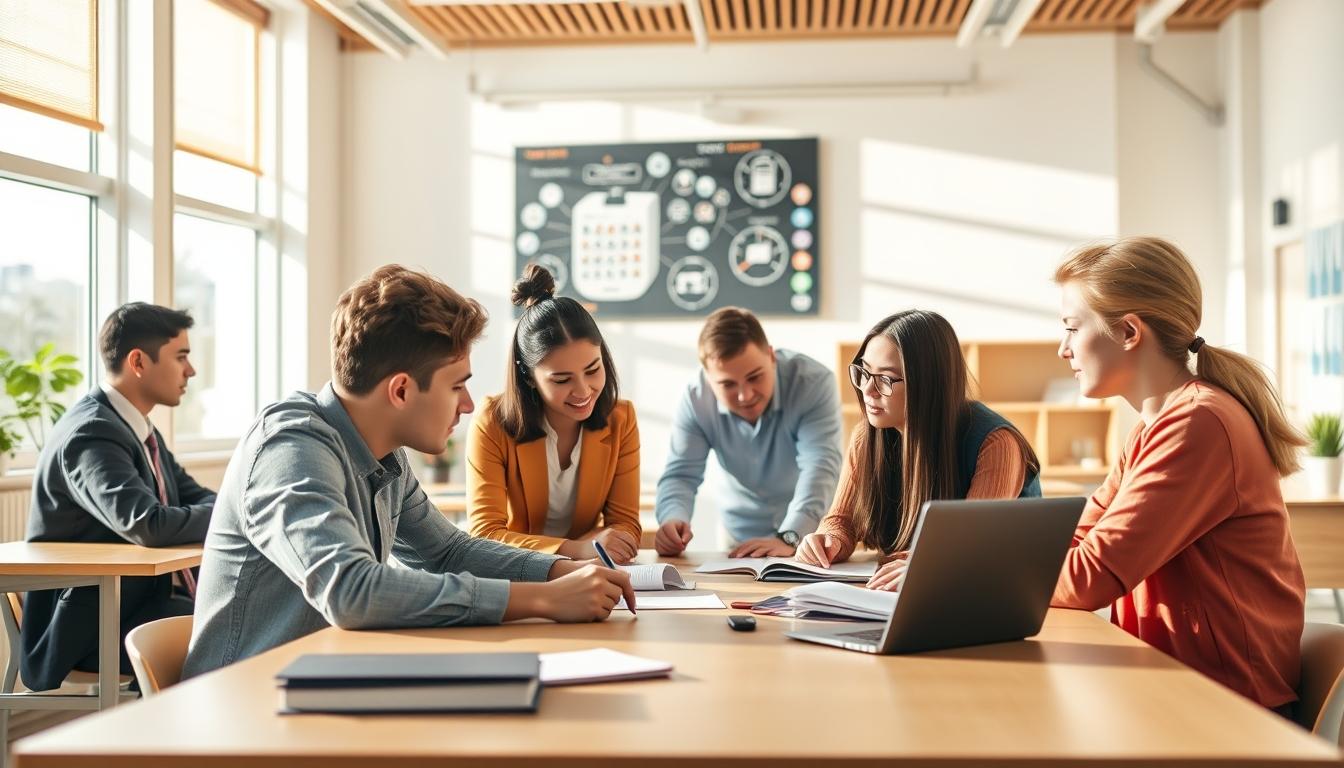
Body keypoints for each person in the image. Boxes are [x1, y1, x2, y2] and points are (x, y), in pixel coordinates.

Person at [182, 265, 633, 678]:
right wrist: (543, 600)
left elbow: (448, 552)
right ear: (401, 390)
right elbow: (351, 591)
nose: (469, 404)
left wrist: (559, 571)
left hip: (321, 688)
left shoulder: (385, 456)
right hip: (245, 714)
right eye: (457, 385)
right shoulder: (290, 449)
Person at [1048, 237, 1306, 715]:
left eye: (1071, 328)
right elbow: (1073, 538)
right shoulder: (1155, 427)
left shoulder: (1197, 424)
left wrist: (959, 579)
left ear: (1128, 332)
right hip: (1172, 694)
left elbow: (1091, 577)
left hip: (1229, 711)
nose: (1063, 349)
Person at [22, 303, 215, 691]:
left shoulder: (138, 430)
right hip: (89, 628)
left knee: (248, 615)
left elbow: (196, 496)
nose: (190, 371)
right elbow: (148, 524)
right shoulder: (91, 433)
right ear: (139, 361)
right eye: (181, 357)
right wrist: (235, 513)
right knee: (238, 626)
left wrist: (233, 508)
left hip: (138, 604)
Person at [795, 309, 1040, 591]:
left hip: (993, 594)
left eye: (886, 379)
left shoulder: (995, 443)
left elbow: (971, 545)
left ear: (930, 383)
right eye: (863, 372)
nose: (868, 390)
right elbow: (842, 520)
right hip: (910, 591)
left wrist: (920, 564)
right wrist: (828, 540)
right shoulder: (868, 435)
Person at [467, 265, 641, 563]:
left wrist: (594, 549)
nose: (584, 390)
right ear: (529, 376)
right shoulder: (492, 422)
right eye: (562, 380)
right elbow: (485, 534)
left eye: (593, 370)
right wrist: (578, 549)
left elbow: (624, 527)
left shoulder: (621, 419)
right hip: (514, 574)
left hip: (588, 574)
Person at [654, 307, 842, 558]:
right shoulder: (696, 398)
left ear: (771, 356)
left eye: (755, 377)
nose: (745, 396)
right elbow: (681, 475)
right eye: (728, 384)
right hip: (740, 537)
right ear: (708, 378)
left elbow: (821, 464)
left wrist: (791, 534)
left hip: (808, 534)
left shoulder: (813, 383)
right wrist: (672, 518)